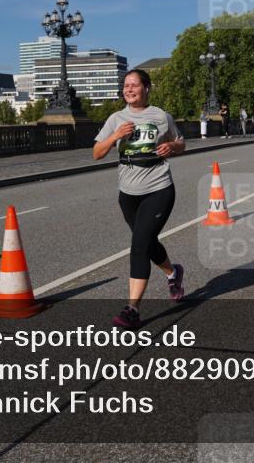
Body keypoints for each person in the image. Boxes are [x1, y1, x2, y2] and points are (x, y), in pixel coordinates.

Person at [94, 69, 186, 329]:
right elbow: (97, 153)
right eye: (126, 86)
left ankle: (132, 309)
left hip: (159, 189)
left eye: (134, 85)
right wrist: (114, 136)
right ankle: (173, 272)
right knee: (146, 242)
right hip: (128, 195)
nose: (129, 90)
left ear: (146, 88)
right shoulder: (116, 118)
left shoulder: (161, 116)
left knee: (139, 246)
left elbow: (181, 142)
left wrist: (172, 147)